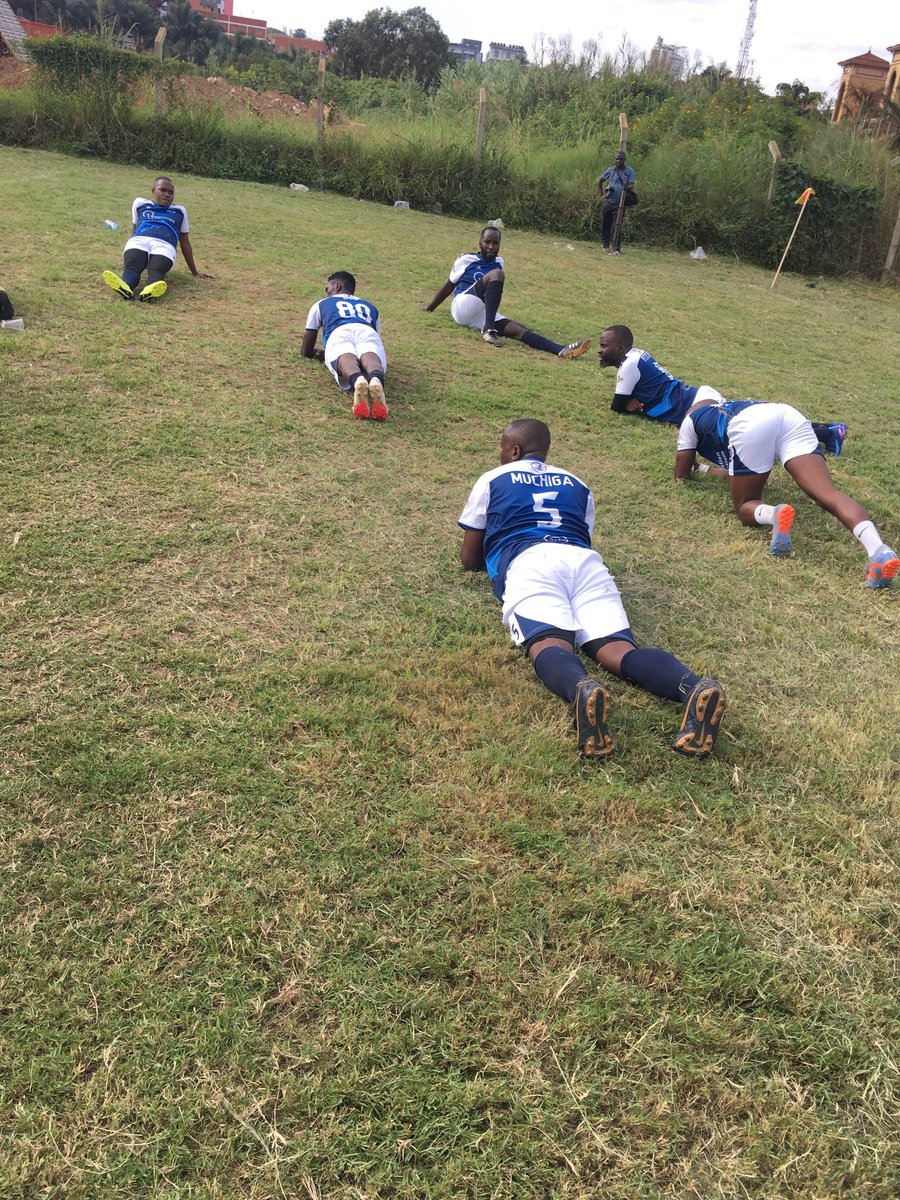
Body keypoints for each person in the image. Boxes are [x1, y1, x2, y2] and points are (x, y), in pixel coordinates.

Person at [458, 419, 726, 759]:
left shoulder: (493, 478)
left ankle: (581, 688)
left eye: (501, 448)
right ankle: (692, 686)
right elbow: (582, 533)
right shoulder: (578, 483)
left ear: (513, 450)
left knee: (547, 641)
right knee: (617, 649)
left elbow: (470, 558)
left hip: (530, 561)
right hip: (585, 562)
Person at [674, 396, 898, 588]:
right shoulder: (726, 406)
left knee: (745, 505)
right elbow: (729, 472)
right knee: (828, 493)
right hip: (787, 414)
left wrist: (689, 469)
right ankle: (878, 549)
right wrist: (704, 468)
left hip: (750, 426)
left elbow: (681, 474)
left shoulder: (689, 421)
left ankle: (774, 514)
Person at [598, 324, 848, 456]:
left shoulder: (628, 366)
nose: (600, 350)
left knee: (749, 428)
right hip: (699, 397)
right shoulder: (635, 355)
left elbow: (617, 407)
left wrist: (631, 404)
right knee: (753, 419)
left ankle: (825, 433)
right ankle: (826, 430)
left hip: (698, 405)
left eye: (604, 346)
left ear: (620, 347)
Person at [424, 226, 590, 358]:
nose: (491, 246)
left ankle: (561, 350)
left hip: (480, 312)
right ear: (480, 242)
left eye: (495, 243)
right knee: (496, 275)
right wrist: (429, 308)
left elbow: (492, 293)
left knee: (519, 329)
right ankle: (488, 330)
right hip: (462, 306)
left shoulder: (499, 262)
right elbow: (448, 286)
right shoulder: (466, 259)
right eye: (487, 242)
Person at [102, 176, 212, 303]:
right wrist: (129, 253)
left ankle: (149, 290)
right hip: (140, 240)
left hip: (165, 245)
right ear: (153, 190)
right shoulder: (140, 203)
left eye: (171, 192)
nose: (167, 195)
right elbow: (135, 229)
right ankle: (125, 286)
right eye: (163, 190)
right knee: (133, 265)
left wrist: (195, 272)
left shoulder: (180, 211)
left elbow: (185, 243)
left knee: (157, 268)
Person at [301, 271, 388, 420]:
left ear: (338, 285)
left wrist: (314, 353)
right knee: (369, 355)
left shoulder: (322, 304)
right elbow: (375, 337)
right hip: (367, 331)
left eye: (327, 288)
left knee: (344, 358)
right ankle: (375, 379)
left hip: (339, 332)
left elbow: (307, 344)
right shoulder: (371, 307)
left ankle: (357, 381)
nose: (327, 292)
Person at [597, 151, 636, 254]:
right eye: (617, 159)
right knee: (606, 224)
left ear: (625, 160)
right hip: (609, 202)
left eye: (621, 159)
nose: (618, 161)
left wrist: (626, 187)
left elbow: (632, 185)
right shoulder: (611, 170)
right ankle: (605, 246)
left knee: (617, 225)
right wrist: (601, 195)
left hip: (621, 204)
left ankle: (616, 249)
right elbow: (600, 181)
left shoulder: (629, 171)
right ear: (615, 160)